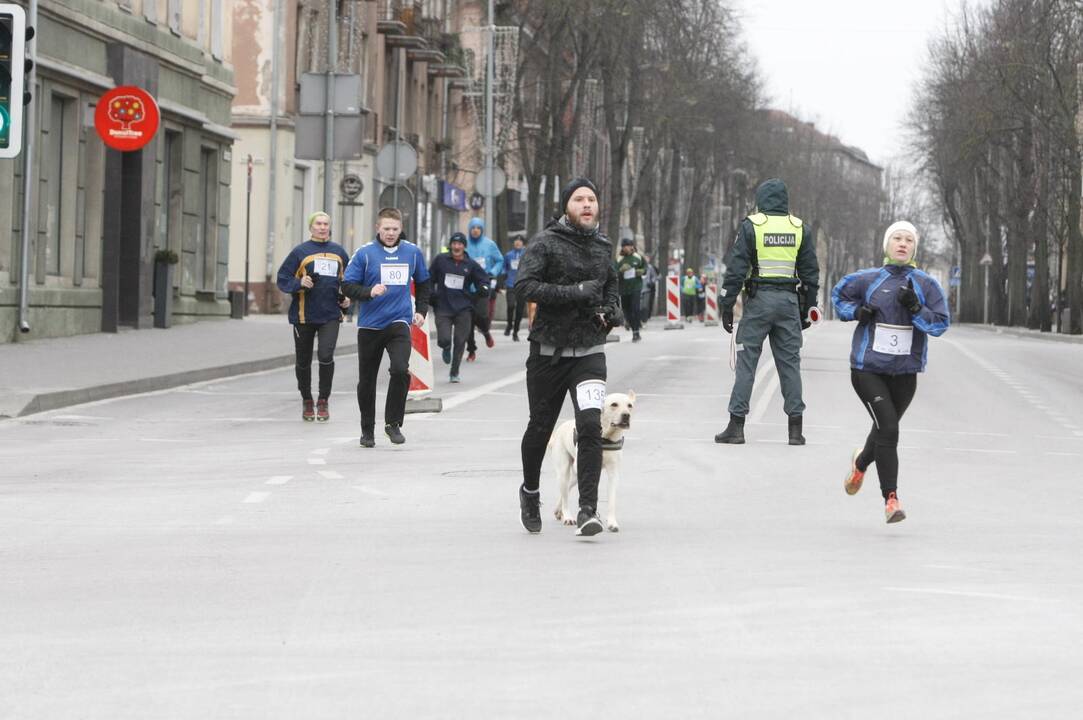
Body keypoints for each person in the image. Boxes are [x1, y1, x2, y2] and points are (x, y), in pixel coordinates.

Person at [515, 177, 623, 537]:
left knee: (591, 426)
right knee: (541, 426)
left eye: (592, 199)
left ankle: (588, 509)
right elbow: (524, 287)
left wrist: (611, 311)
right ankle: (530, 492)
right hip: (549, 351)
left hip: (590, 351)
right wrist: (574, 292)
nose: (587, 205)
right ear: (567, 206)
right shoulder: (545, 243)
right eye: (579, 199)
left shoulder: (603, 246)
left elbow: (611, 285)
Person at [832, 221, 950, 523]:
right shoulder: (868, 279)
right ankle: (891, 501)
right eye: (896, 238)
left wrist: (915, 309)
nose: (902, 243)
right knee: (890, 428)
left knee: (884, 430)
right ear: (887, 244)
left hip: (905, 374)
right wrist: (856, 313)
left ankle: (860, 464)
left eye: (909, 239)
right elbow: (838, 297)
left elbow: (939, 324)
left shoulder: (925, 285)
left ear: (914, 248)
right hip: (867, 369)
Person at [715, 178, 820, 446]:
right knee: (790, 365)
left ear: (761, 199)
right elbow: (810, 273)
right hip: (788, 303)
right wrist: (808, 308)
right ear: (785, 200)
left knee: (747, 363)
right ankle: (795, 431)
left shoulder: (752, 226)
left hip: (759, 300)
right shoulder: (800, 228)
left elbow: (737, 268)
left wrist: (727, 306)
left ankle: (736, 427)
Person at [341, 207, 431, 447]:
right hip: (370, 325)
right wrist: (369, 291)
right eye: (386, 229)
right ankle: (367, 430)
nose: (391, 233)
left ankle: (393, 423)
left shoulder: (412, 252)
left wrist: (421, 310)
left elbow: (424, 283)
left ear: (401, 229)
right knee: (367, 380)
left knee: (401, 370)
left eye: (395, 229)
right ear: (377, 228)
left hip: (399, 321)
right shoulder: (365, 254)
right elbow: (347, 286)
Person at [275, 211, 351, 422]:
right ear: (311, 227)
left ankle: (323, 400)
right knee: (303, 361)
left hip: (330, 315)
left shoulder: (339, 253)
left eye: (326, 223)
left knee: (326, 356)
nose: (322, 227)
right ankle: (307, 399)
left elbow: (349, 281)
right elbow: (282, 278)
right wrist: (299, 283)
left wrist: (347, 301)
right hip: (304, 316)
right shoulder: (300, 252)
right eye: (318, 223)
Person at [429, 232, 491, 383]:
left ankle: (454, 372)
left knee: (460, 340)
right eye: (454, 244)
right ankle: (445, 347)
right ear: (451, 245)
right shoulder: (440, 260)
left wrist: (483, 288)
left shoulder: (470, 264)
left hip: (463, 307)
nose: (457, 247)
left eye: (460, 244)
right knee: (444, 338)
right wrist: (432, 295)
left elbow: (483, 280)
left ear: (464, 246)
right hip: (443, 306)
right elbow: (429, 278)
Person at [464, 217, 504, 360]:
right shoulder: (464, 244)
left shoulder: (489, 244)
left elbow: (500, 260)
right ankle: (471, 350)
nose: (475, 230)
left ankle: (486, 332)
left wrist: (493, 272)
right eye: (473, 228)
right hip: (467, 286)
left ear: (481, 230)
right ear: (469, 229)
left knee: (482, 315)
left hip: (482, 285)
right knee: (468, 319)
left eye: (478, 228)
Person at [616, 238, 645, 342]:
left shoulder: (638, 257)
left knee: (635, 309)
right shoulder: (619, 260)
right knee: (627, 310)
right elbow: (614, 274)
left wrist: (641, 271)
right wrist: (620, 271)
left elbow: (645, 268)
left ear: (632, 246)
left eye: (628, 246)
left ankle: (636, 333)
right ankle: (628, 321)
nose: (626, 248)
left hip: (636, 287)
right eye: (624, 246)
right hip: (624, 289)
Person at [502, 236, 527, 341]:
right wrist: (503, 276)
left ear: (523, 243)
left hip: (522, 285)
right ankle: (509, 324)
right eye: (516, 241)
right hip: (510, 284)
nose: (518, 243)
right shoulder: (508, 255)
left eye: (520, 241)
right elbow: (504, 267)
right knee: (511, 305)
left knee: (520, 310)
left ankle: (515, 332)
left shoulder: (526, 254)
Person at [641, 254, 659, 322]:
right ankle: (639, 320)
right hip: (638, 289)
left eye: (647, 259)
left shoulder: (650, 267)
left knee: (645, 306)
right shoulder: (638, 267)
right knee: (639, 306)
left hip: (647, 289)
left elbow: (655, 276)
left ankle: (644, 319)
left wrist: (651, 282)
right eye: (644, 259)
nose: (646, 260)